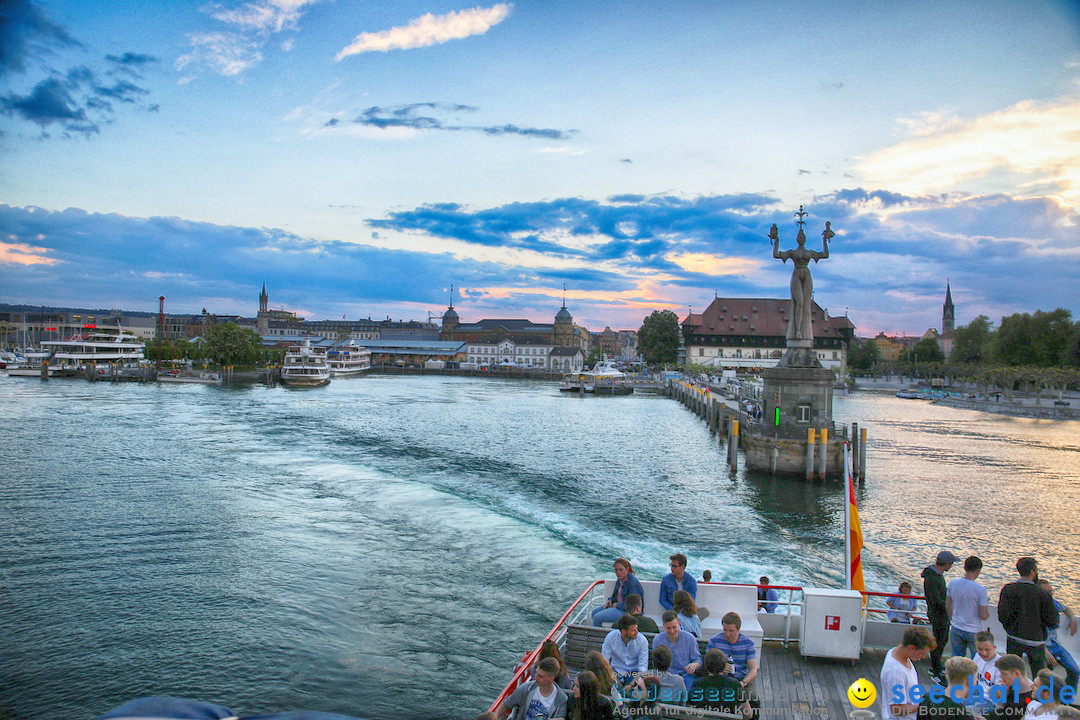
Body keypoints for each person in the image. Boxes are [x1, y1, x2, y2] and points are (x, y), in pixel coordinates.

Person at [997, 557, 1058, 677]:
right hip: (1036, 641)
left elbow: (1002, 615)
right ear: (1032, 572)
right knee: (1038, 675)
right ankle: (1036, 695)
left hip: (1014, 638)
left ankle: (1013, 694)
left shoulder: (1008, 589)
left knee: (1012, 674)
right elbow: (1052, 621)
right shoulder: (1043, 594)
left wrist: (1010, 628)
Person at [705, 612, 760, 716]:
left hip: (741, 679)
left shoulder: (748, 643)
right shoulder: (715, 640)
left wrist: (743, 683)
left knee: (753, 700)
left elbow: (753, 669)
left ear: (738, 629)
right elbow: (707, 664)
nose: (727, 634)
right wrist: (719, 669)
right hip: (719, 678)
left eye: (731, 631)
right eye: (725, 630)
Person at [880, 625, 937, 720]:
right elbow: (896, 709)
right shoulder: (896, 672)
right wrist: (924, 708)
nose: (923, 657)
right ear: (911, 648)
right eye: (922, 653)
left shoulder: (895, 652)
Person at [923, 550, 960, 682]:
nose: (951, 566)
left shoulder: (936, 575)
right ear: (947, 564)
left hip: (940, 614)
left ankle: (936, 665)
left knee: (942, 640)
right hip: (938, 615)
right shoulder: (932, 578)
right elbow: (936, 600)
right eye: (951, 564)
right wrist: (950, 605)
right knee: (939, 641)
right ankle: (935, 669)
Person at [1037, 579, 1079, 693]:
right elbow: (1031, 634)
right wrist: (1045, 651)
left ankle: (1065, 699)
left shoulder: (1053, 604)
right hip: (1040, 647)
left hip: (1055, 645)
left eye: (1051, 592)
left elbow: (1067, 609)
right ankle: (1043, 701)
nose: (1050, 595)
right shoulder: (1034, 609)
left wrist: (1073, 619)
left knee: (1075, 670)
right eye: (1047, 592)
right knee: (1044, 676)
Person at [496, 656, 569, 720]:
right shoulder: (526, 688)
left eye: (540, 676)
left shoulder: (561, 699)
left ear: (551, 679)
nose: (535, 677)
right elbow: (506, 705)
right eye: (536, 673)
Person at [687, 648, 753, 718]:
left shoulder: (698, 684)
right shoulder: (734, 684)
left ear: (706, 666)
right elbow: (748, 714)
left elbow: (690, 709)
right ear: (725, 666)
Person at [946, 555, 990, 659]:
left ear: (965, 568)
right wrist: (987, 614)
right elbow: (983, 615)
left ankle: (956, 675)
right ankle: (970, 676)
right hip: (974, 630)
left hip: (956, 627)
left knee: (957, 659)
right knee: (976, 661)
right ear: (978, 570)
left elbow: (948, 606)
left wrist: (954, 619)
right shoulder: (980, 590)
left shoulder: (953, 583)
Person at [652, 610, 702, 691]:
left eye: (674, 627)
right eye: (668, 628)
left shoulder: (689, 638)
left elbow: (698, 660)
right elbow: (655, 663)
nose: (672, 631)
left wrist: (694, 665)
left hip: (685, 676)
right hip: (665, 676)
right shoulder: (658, 640)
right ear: (664, 626)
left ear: (678, 624)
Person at [592, 558, 645, 627]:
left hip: (628, 612)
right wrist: (610, 601)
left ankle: (598, 636)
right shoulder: (620, 580)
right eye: (616, 570)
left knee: (597, 617)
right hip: (618, 607)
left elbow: (633, 605)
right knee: (594, 612)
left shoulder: (633, 583)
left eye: (620, 570)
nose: (618, 572)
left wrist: (617, 605)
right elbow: (615, 596)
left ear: (627, 569)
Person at [600, 614, 648, 686]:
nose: (637, 632)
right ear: (623, 631)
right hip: (616, 672)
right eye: (633, 630)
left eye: (636, 629)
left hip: (634, 674)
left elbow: (643, 667)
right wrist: (613, 678)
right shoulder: (610, 637)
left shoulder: (642, 640)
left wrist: (632, 684)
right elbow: (604, 661)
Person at [984, 654, 1034, 719]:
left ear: (1017, 673)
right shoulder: (1010, 685)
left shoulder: (1033, 697)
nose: (1001, 677)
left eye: (1004, 674)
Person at [971, 631, 1003, 718]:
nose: (984, 653)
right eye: (980, 649)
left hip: (992, 701)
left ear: (994, 647)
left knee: (967, 711)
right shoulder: (977, 656)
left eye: (987, 650)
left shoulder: (1000, 665)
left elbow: (998, 694)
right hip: (979, 694)